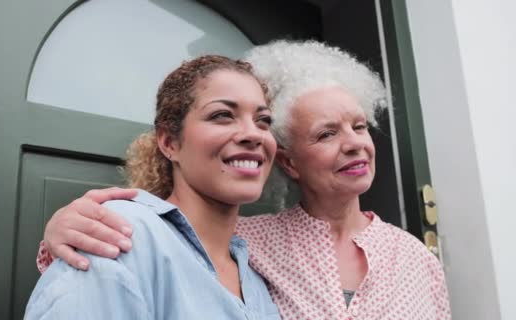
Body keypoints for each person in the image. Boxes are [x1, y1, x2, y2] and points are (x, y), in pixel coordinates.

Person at [37, 40, 452, 319]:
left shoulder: (245, 267)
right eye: (326, 133)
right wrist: (63, 234)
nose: (354, 144)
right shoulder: (123, 234)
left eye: (360, 127)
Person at [25, 55, 281, 320]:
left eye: (263, 120)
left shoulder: (257, 272)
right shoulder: (118, 233)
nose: (254, 134)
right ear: (170, 143)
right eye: (223, 115)